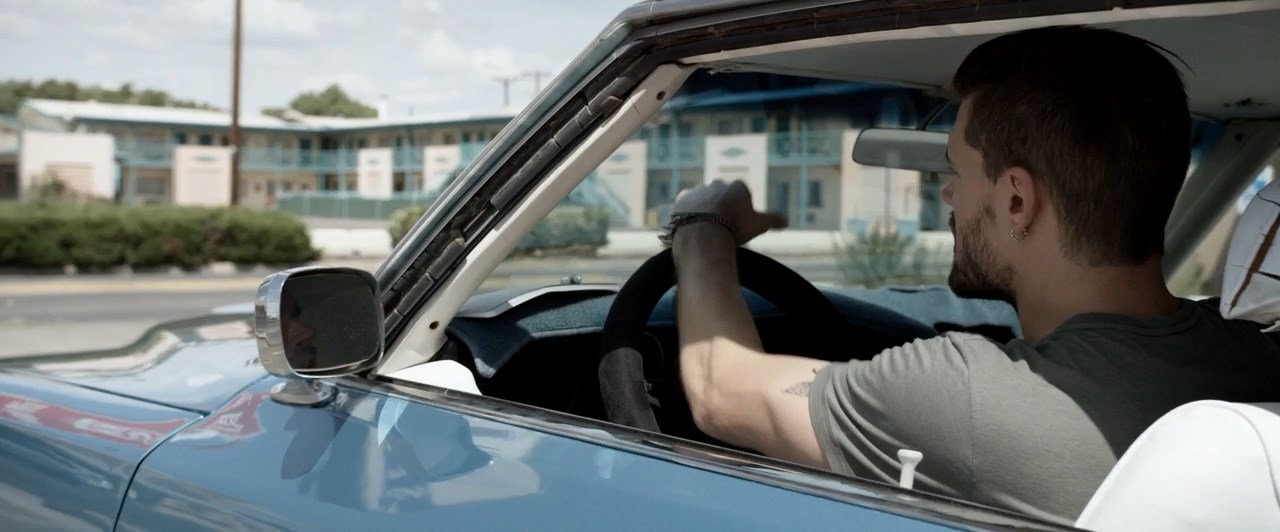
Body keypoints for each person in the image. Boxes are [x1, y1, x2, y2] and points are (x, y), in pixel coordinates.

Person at [667, 25, 1280, 526]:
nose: (949, 196)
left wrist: (701, 226)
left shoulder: (965, 395)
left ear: (1017, 200)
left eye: (957, 172)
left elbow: (721, 389)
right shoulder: (1256, 354)